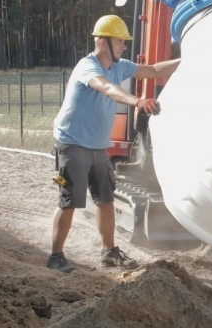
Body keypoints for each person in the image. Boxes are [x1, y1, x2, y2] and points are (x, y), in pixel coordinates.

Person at [46, 14, 180, 272]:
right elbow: (107, 89)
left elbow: (153, 70)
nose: (124, 46)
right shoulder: (89, 68)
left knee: (105, 199)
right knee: (70, 200)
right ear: (103, 42)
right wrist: (137, 101)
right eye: (120, 40)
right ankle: (55, 256)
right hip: (71, 144)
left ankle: (108, 252)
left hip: (97, 146)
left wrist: (189, 60)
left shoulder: (119, 66)